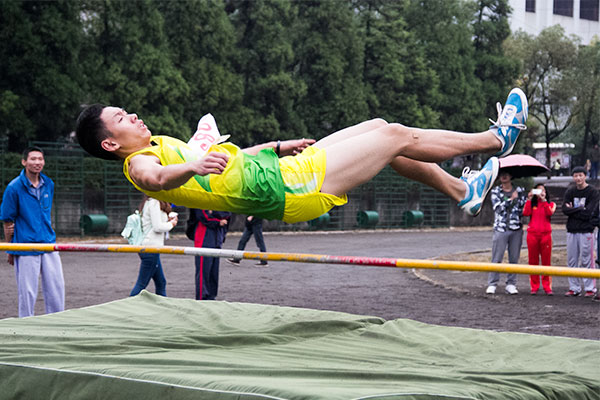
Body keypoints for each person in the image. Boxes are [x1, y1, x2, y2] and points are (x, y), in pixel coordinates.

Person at [74, 88, 528, 224]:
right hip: (288, 190)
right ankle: (495, 140)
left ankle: (463, 191)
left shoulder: (158, 144)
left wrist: (276, 146)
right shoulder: (139, 163)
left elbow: (228, 161)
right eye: (121, 118)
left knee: (378, 127)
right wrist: (191, 165)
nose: (133, 115)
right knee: (393, 136)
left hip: (279, 171)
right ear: (110, 143)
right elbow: (157, 181)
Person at [0, 146, 65, 317]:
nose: (37, 162)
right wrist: (10, 248)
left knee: (56, 288)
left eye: (40, 159)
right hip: (25, 245)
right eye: (33, 159)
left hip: (48, 243)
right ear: (24, 162)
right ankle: (26, 322)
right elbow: (8, 222)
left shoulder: (49, 184)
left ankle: (57, 321)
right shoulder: (14, 187)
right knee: (27, 292)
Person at [486, 170, 527, 295]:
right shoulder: (495, 191)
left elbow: (523, 209)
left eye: (506, 174)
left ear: (511, 176)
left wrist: (527, 199)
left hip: (516, 228)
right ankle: (492, 283)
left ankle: (511, 284)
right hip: (501, 228)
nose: (504, 176)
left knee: (514, 257)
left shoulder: (519, 190)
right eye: (501, 174)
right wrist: (511, 199)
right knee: (496, 257)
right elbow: (498, 208)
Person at [129, 195, 178, 296]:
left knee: (161, 282)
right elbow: (157, 227)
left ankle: (162, 304)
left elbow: (154, 223)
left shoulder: (150, 202)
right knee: (142, 284)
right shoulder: (154, 202)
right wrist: (172, 224)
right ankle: (128, 304)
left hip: (151, 248)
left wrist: (168, 220)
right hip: (150, 248)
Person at [562, 166, 599, 297]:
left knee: (587, 259)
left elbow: (589, 212)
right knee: (571, 260)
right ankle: (574, 287)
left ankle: (590, 288)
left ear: (585, 176)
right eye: (575, 176)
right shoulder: (570, 191)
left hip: (586, 230)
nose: (578, 178)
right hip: (572, 230)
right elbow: (564, 210)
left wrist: (573, 210)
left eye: (580, 175)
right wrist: (580, 209)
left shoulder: (593, 192)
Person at [188, 209, 230, 300]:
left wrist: (213, 213)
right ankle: (202, 298)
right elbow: (203, 216)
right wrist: (218, 221)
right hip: (204, 238)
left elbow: (227, 214)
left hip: (217, 239)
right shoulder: (200, 202)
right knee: (203, 271)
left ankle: (211, 297)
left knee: (214, 272)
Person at [522, 184, 556, 295]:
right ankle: (534, 286)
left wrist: (544, 200)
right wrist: (529, 199)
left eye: (543, 191)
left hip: (546, 235)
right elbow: (526, 213)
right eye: (538, 190)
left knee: (546, 261)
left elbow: (549, 213)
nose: (540, 193)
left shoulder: (550, 204)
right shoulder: (532, 204)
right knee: (533, 261)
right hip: (532, 235)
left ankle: (547, 286)